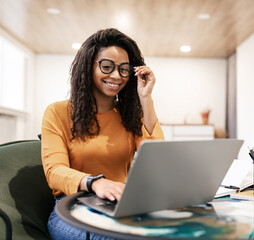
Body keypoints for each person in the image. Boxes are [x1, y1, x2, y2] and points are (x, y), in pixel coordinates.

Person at [41, 28, 164, 239]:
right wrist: (95, 182)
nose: (116, 76)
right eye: (107, 66)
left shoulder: (131, 116)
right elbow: (54, 171)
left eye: (124, 69)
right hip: (72, 206)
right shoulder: (57, 112)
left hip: (122, 204)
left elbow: (157, 159)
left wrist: (146, 99)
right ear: (88, 66)